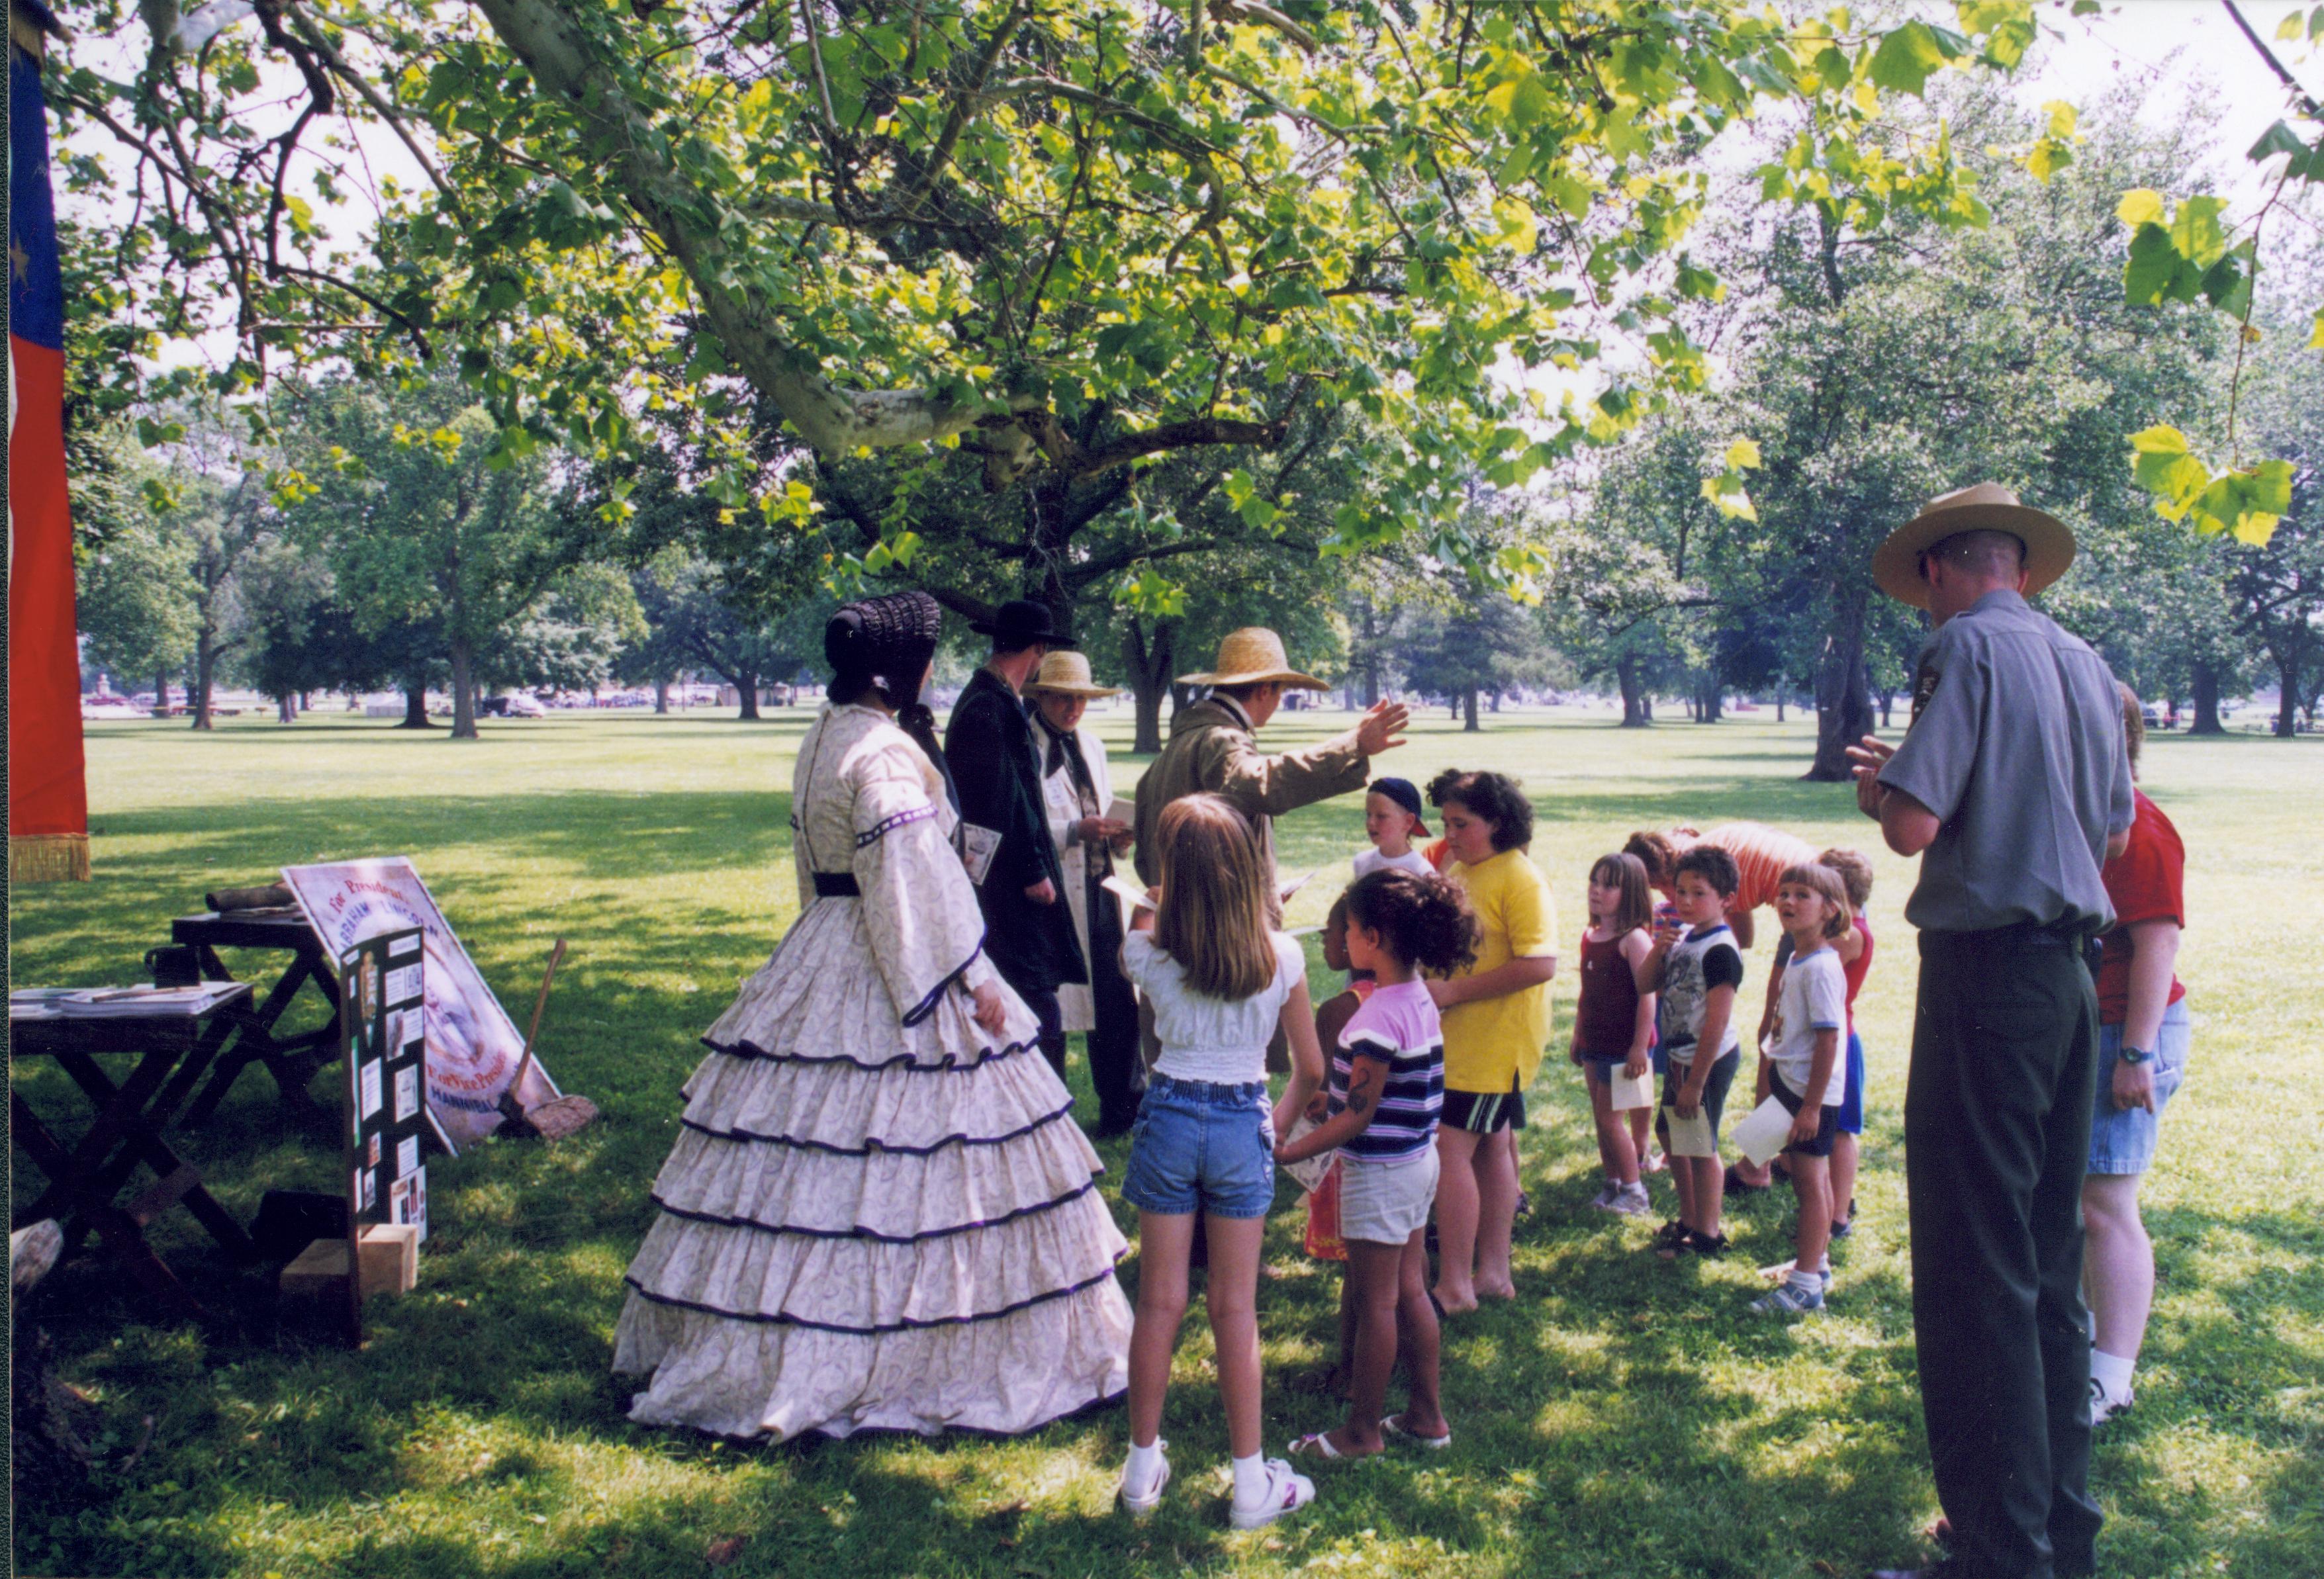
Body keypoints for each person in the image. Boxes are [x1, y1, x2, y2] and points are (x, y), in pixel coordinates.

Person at [613, 591, 1132, 1441]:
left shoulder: (824, 736)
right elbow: (906, 878)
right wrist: (970, 975)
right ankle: (896, 1350)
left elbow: (823, 859)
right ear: (904, 670)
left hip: (821, 940)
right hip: (882, 948)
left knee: (808, 1151)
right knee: (908, 1145)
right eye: (925, 655)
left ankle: (772, 1326)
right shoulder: (886, 753)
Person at [1848, 482, 2133, 1579]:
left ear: (1938, 571)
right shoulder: (2088, 668)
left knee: (1976, 1271)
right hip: (2069, 980)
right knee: (2046, 1262)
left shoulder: (1960, 650)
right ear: (2019, 564)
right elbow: (2108, 833)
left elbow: (1916, 825)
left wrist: (1882, 791)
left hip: (1987, 979)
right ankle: (2059, 1531)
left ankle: (1997, 1552)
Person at [1116, 794, 1326, 1530]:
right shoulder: (1284, 956)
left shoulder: (1147, 952)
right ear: (1248, 873)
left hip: (1170, 1113)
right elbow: (1311, 1068)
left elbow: (1141, 924)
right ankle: (1248, 1483)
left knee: (1157, 1301)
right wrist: (1269, 1127)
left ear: (1173, 877)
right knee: (1235, 1308)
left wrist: (1156, 896)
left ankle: (1141, 1469)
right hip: (1243, 1118)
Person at [1132, 626, 1408, 1069]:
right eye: (1280, 692)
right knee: (1224, 1070)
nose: (1278, 704)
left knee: (1179, 1065)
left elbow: (1147, 855)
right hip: (1216, 942)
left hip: (1177, 931)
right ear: (1265, 689)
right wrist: (1352, 743)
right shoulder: (1220, 739)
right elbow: (1260, 784)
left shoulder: (1177, 748)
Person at [1279, 868, 1474, 1461]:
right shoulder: (1415, 998)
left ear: (1373, 937)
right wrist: (1330, 1101)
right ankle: (1424, 1415)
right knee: (1410, 1290)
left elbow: (1357, 1119)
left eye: (1349, 927)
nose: (1344, 937)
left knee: (1375, 1303)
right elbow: (1381, 1093)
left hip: (1379, 1175)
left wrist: (1288, 1149)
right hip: (1418, 1163)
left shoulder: (1370, 1019)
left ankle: (1361, 1433)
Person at [2083, 684, 2191, 1427]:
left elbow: (2157, 944)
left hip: (2126, 1030)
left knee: (2104, 1204)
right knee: (2077, 1203)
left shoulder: (2141, 828)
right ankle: (2086, 1354)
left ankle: (2110, 1378)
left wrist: (2134, 1054)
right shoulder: (2089, 819)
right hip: (2091, 1028)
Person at [1424, 770, 1557, 1314]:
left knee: (1450, 1149)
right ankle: (1493, 1274)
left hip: (1492, 1044)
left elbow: (1539, 963)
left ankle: (1455, 1284)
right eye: (1445, 823)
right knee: (1493, 1148)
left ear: (1497, 823)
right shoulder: (1463, 868)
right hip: (1461, 1038)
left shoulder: (1518, 878)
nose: (1450, 834)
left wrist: (1454, 990)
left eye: (1462, 824)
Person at [946, 599, 1086, 1081]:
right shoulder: (988, 705)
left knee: (1034, 995)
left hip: (1001, 877)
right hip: (1006, 886)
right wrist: (1033, 872)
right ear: (1039, 649)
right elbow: (1000, 798)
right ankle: (1040, 1110)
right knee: (1034, 999)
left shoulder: (994, 700)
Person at [1025, 650, 1142, 1136]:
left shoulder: (1090, 745)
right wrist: (1075, 829)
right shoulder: (1023, 746)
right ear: (1043, 697)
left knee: (1117, 997)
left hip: (1102, 886)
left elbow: (1099, 801)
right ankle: (1049, 1115)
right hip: (1053, 893)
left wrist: (1117, 834)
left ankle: (1125, 1107)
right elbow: (1022, 826)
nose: (1073, 708)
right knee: (1056, 1005)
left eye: (1081, 699)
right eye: (1063, 699)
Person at [1735, 846, 1879, 1212]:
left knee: (1840, 1130)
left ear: (1835, 899)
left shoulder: (1845, 937)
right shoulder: (1812, 940)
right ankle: (1756, 1165)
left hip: (1832, 1044)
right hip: (1801, 1037)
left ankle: (1839, 1212)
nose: (1793, 902)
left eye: (1807, 892)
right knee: (1781, 1105)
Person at [1747, 862, 1853, 1316]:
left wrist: (1811, 1108)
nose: (1787, 902)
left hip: (1811, 1093)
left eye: (1801, 895)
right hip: (1789, 1082)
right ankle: (1817, 1263)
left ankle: (1806, 1287)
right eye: (1783, 893)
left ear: (1830, 910)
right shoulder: (1796, 955)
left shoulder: (1822, 968)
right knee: (1764, 1151)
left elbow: (1830, 1038)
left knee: (1810, 1183)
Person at [1638, 846, 1745, 1261]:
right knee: (1672, 1134)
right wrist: (1658, 948)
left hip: (1708, 1059)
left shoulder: (1719, 949)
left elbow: (1716, 1023)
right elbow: (1646, 982)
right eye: (1680, 891)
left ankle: (1709, 1233)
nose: (1685, 901)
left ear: (1726, 900)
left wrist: (1696, 1083)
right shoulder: (1684, 937)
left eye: (1698, 893)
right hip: (1682, 1056)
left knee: (1700, 1143)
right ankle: (1689, 1215)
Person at [1570, 852, 1657, 1218]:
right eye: (1594, 881)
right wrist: (1578, 1034)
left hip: (1624, 1048)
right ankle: (1614, 1181)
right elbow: (1587, 992)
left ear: (1632, 892)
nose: (1597, 890)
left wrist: (1640, 1046)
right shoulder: (1592, 935)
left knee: (1611, 1119)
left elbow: (1647, 995)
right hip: (1595, 1042)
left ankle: (1636, 1191)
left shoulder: (1633, 939)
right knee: (1600, 1115)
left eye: (1609, 885)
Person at [1303, 898, 1375, 1269]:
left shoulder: (1338, 1011)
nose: (1323, 939)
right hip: (1406, 1155)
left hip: (1354, 1162)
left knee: (1363, 1276)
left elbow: (1326, 1094)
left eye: (1329, 932)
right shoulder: (1417, 997)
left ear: (1352, 940)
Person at [1622, 821, 1818, 949]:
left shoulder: (1699, 867)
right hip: (1819, 873)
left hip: (1808, 893)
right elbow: (1743, 940)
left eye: (1662, 887)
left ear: (1664, 872)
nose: (1669, 897)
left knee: (1791, 966)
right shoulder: (1708, 853)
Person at [1354, 777, 1435, 880]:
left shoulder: (1421, 871)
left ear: (1408, 821)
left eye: (1381, 816)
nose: (1371, 822)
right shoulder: (1362, 863)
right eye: (1368, 814)